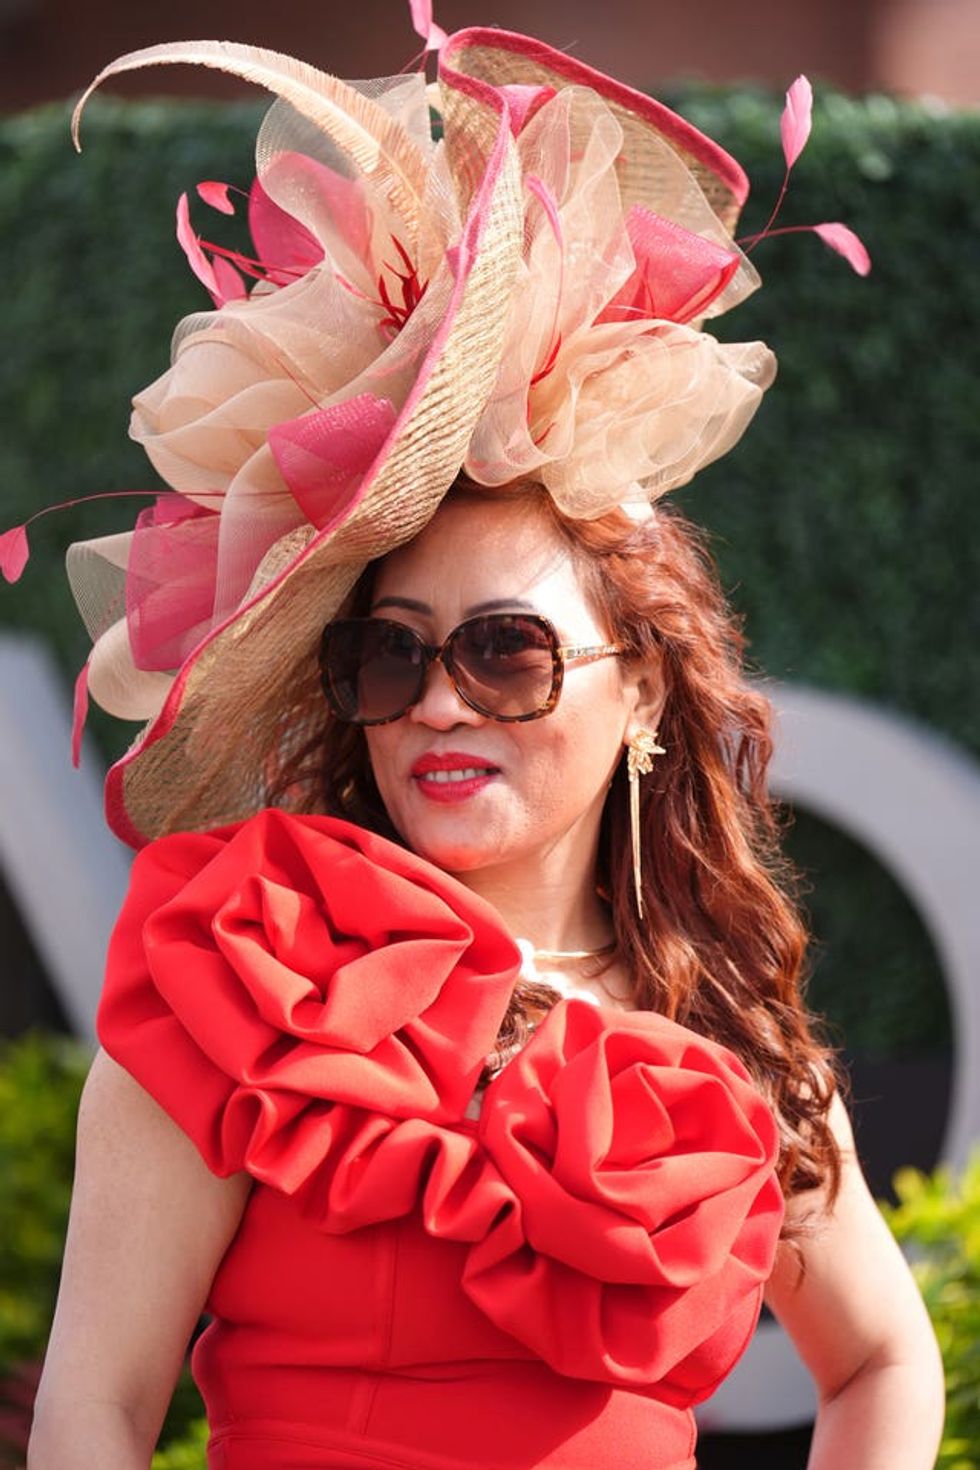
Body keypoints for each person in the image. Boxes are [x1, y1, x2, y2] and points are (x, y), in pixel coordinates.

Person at [21, 13, 943, 1470]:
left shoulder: (726, 1030)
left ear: (644, 694)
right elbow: (95, 1410)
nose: (440, 701)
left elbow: (885, 1357)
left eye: (507, 650)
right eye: (390, 654)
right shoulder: (242, 971)